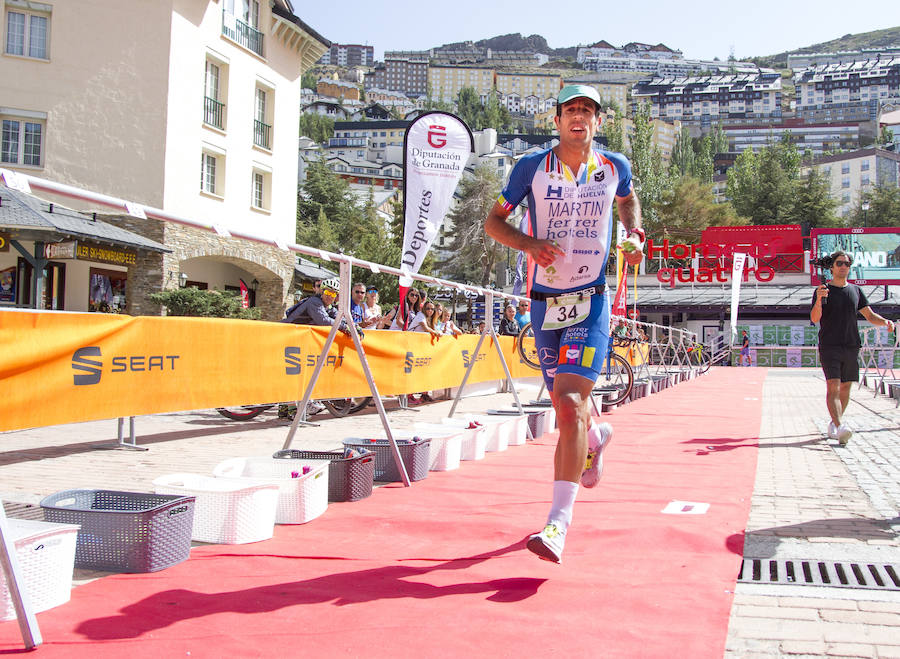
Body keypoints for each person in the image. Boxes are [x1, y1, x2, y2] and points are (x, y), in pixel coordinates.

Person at [484, 84, 644, 563]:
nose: (579, 118)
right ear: (556, 121)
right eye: (571, 111)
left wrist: (634, 232)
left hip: (592, 298)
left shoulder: (615, 167)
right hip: (542, 300)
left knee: (572, 402)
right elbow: (494, 222)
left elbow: (628, 201)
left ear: (599, 122)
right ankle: (595, 439)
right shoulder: (530, 168)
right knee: (563, 404)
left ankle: (557, 525)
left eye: (588, 111)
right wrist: (528, 245)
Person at [810, 250, 895, 446]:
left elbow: (870, 315)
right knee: (833, 385)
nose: (843, 267)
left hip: (852, 344)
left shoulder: (856, 291)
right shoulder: (822, 290)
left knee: (847, 386)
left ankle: (834, 423)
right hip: (830, 345)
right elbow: (815, 318)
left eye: (847, 264)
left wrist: (885, 322)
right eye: (839, 263)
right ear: (832, 267)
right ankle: (841, 427)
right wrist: (819, 300)